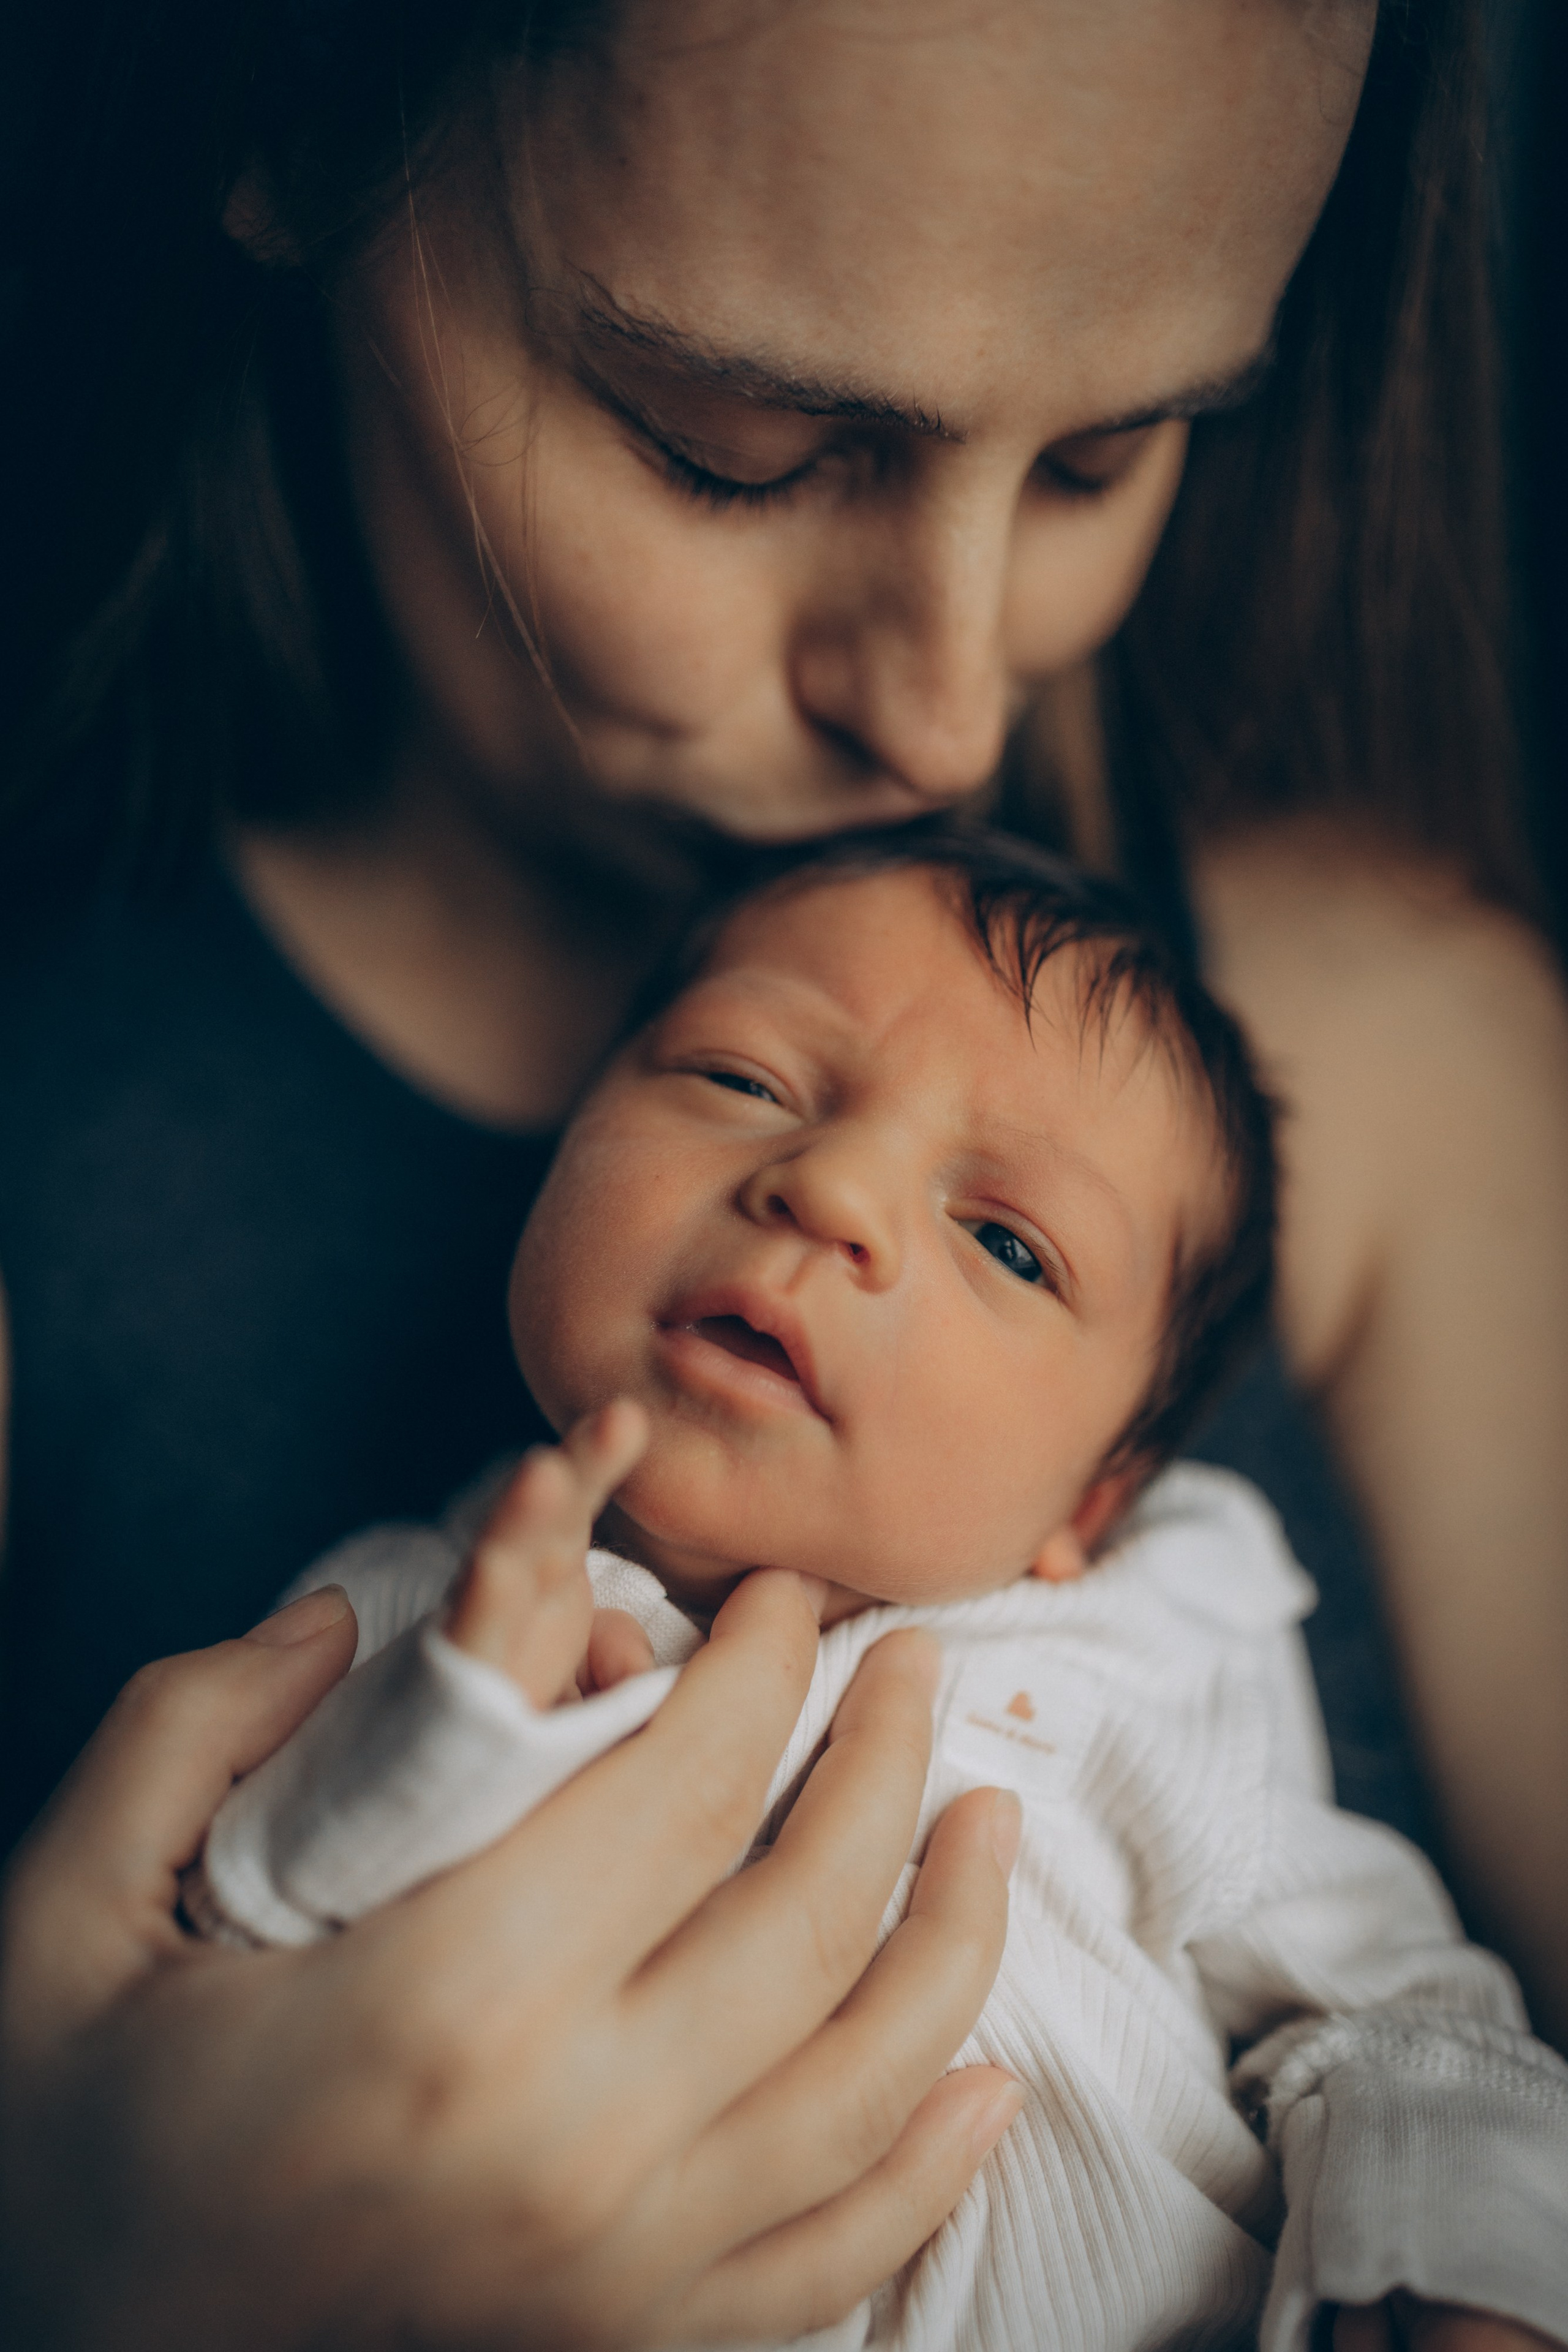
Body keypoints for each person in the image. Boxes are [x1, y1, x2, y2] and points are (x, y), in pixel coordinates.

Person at [4, 0, 1567, 2342]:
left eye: (1106, 456)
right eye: (734, 450)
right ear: (300, 121)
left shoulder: (1389, 1053)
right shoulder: (69, 1164)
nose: (951, 710)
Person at [189, 837, 1568, 2350]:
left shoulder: (1137, 1657)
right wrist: (450, 1732)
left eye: (1003, 1242)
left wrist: (1454, 2267)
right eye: (739, 1080)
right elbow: (230, 1964)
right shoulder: (402, 1618)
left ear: (1091, 1505)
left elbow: (1398, 2007)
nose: (826, 1185)